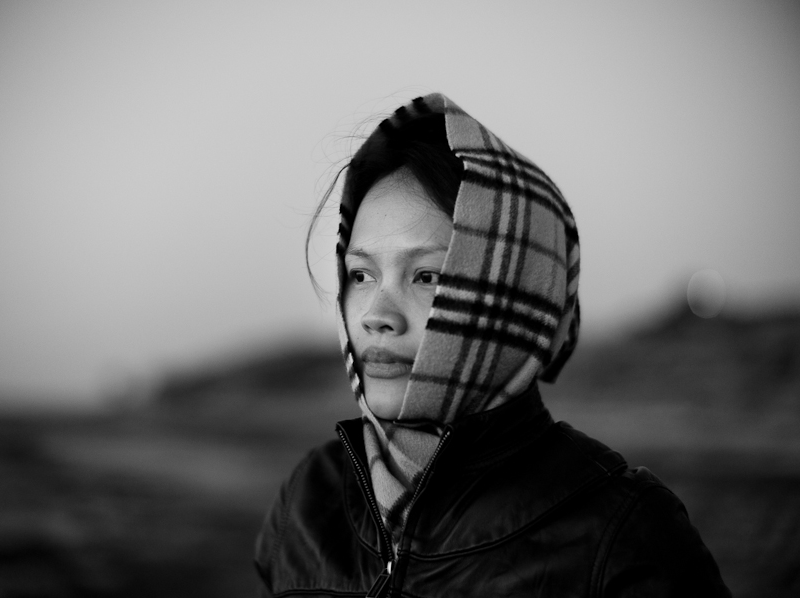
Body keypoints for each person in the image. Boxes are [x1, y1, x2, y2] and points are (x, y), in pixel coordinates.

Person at [254, 93, 730, 597]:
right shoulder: (309, 501)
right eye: (362, 274)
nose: (377, 316)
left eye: (427, 275)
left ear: (515, 292)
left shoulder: (621, 534)